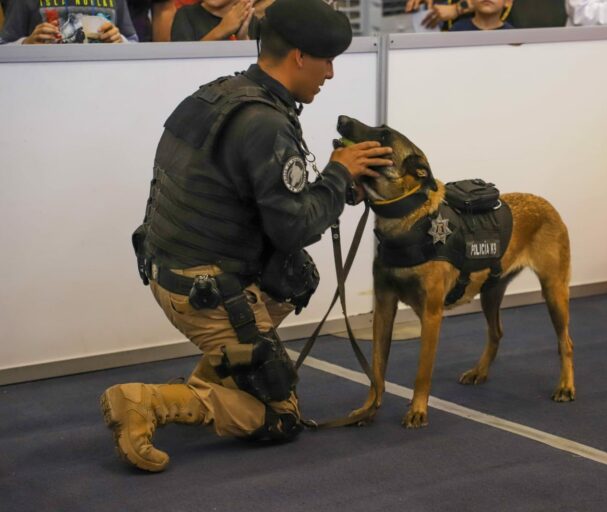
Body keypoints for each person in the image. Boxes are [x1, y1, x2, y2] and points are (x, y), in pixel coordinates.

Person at [100, 0, 393, 473]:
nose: (332, 74)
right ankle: (148, 402)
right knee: (278, 418)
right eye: (327, 61)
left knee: (294, 276)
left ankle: (230, 362)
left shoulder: (221, 94)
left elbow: (257, 203)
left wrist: (339, 184)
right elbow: (293, 225)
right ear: (299, 56)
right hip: (205, 288)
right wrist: (338, 177)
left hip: (171, 269)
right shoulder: (265, 122)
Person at [0, 0, 138, 44]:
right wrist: (26, 43)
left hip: (104, 86)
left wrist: (119, 40)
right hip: (42, 89)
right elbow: (4, 48)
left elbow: (133, 43)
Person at [171, 0, 263, 41]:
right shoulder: (186, 15)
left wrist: (243, 39)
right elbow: (182, 62)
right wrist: (221, 30)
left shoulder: (251, 20)